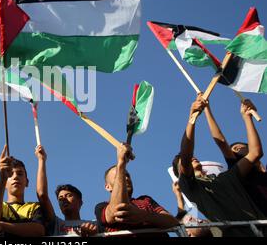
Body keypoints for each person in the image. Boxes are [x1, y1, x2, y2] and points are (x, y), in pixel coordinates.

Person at [173, 95, 266, 236]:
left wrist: (247, 118)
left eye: (194, 156)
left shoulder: (226, 177)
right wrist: (192, 119)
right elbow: (186, 155)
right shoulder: (191, 187)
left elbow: (255, 152)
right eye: (186, 160)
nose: (192, 157)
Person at [95, 142, 178, 237]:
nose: (126, 178)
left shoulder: (146, 200)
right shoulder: (101, 207)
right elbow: (119, 209)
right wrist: (121, 164)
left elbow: (173, 222)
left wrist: (144, 215)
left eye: (127, 175)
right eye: (119, 176)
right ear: (107, 187)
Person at [203, 100, 267, 216]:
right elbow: (221, 141)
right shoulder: (237, 168)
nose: (235, 151)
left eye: (238, 148)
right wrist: (206, 108)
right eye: (233, 150)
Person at [0, 145, 45, 237]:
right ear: (5, 184)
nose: (15, 177)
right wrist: (2, 178)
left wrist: (2, 225)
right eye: (10, 175)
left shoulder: (34, 206)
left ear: (27, 182)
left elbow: (39, 230)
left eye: (20, 173)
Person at [34, 145, 97, 236]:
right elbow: (42, 195)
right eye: (60, 198)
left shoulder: (93, 224)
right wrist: (41, 160)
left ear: (80, 202)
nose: (63, 199)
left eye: (68, 195)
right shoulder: (55, 224)